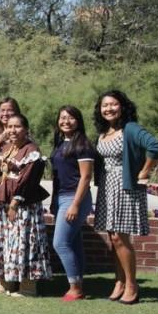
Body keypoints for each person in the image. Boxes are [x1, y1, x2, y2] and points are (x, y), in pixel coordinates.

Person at [93, 90, 158, 304]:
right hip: (107, 187)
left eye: (113, 104)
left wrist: (144, 171)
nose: (109, 109)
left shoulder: (130, 129)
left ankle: (132, 284)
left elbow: (155, 146)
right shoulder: (104, 132)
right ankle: (119, 282)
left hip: (125, 188)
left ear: (122, 106)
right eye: (105, 105)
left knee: (120, 238)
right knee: (113, 238)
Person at [0, 113, 50, 297]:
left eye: (17, 127)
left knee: (23, 241)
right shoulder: (6, 148)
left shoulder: (32, 151)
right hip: (3, 200)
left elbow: (28, 180)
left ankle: (27, 287)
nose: (13, 130)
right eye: (10, 127)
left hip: (22, 204)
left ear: (26, 129)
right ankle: (5, 283)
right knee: (4, 241)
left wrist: (14, 203)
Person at [50, 105, 96, 301]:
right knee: (73, 242)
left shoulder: (83, 144)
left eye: (70, 118)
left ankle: (75, 288)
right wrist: (54, 201)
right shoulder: (61, 143)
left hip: (75, 197)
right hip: (62, 197)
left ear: (78, 120)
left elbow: (86, 177)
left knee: (60, 243)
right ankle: (78, 282)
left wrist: (75, 204)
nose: (65, 121)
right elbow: (57, 176)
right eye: (62, 118)